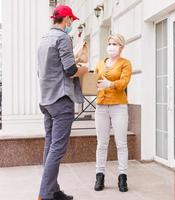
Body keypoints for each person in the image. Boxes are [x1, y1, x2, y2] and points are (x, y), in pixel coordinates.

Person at [37, 5, 88, 200]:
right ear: (65, 20)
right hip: (61, 100)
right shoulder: (63, 38)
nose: (71, 24)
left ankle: (52, 191)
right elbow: (70, 70)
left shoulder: (43, 40)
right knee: (57, 149)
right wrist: (84, 69)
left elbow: (41, 71)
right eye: (71, 21)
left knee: (50, 147)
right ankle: (44, 194)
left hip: (47, 100)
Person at [94, 34, 132, 192]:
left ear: (121, 47)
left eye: (115, 44)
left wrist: (110, 84)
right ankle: (99, 176)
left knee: (121, 144)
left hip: (118, 106)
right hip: (101, 106)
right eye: (109, 43)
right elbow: (95, 80)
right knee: (102, 143)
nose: (111, 46)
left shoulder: (125, 63)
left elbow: (124, 82)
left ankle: (122, 177)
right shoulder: (100, 63)